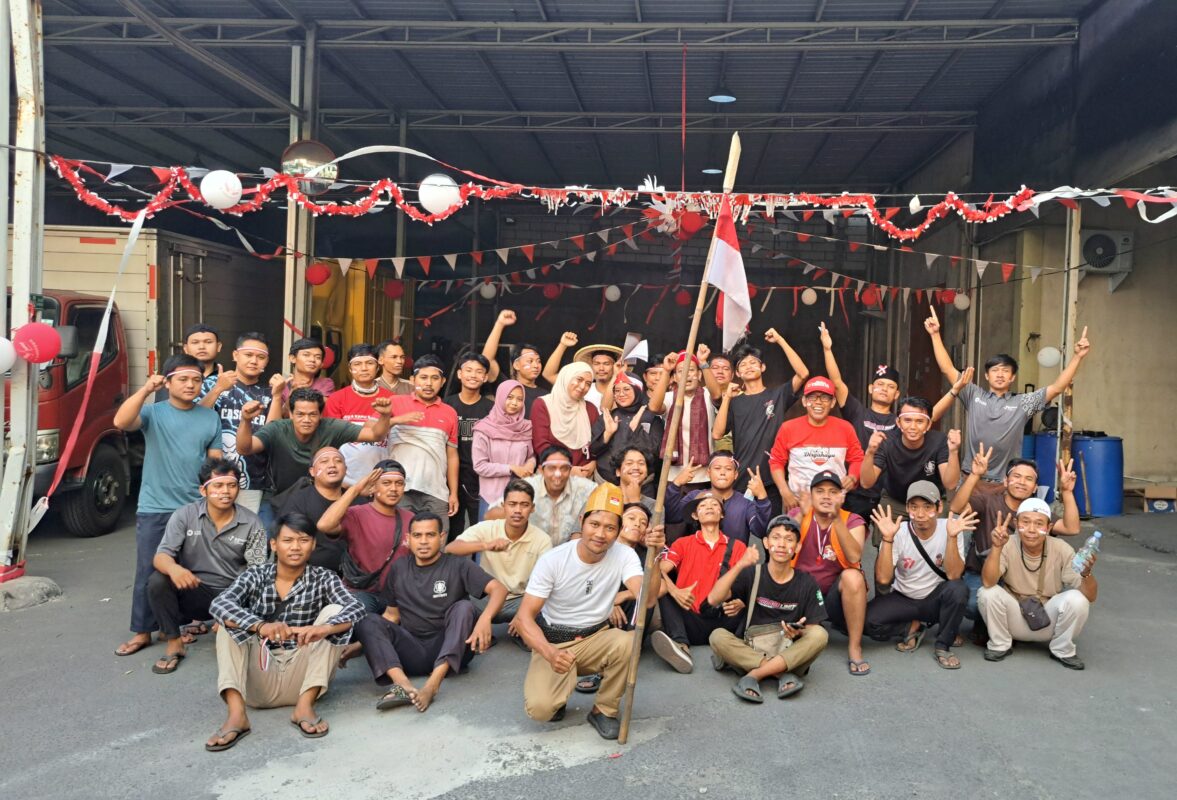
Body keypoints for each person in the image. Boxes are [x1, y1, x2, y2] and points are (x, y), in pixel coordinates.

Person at [516, 482, 665, 740]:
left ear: (618, 531)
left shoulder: (624, 555)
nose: (600, 534)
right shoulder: (553, 560)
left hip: (597, 637)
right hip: (555, 642)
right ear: (582, 522)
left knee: (629, 641)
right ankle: (559, 691)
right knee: (540, 710)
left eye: (610, 528)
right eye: (594, 525)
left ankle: (603, 710)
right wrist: (549, 652)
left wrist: (656, 555)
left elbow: (648, 600)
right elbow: (523, 618)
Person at [205, 512, 366, 751]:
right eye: (288, 540)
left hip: (304, 678)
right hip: (260, 678)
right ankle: (237, 715)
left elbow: (357, 607)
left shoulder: (324, 577)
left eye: (303, 540)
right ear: (274, 544)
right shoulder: (255, 575)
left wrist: (321, 629)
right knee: (227, 624)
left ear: (312, 544)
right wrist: (261, 626)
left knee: (334, 612)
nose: (295, 547)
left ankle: (304, 706)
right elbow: (218, 604)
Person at [113, 354, 222, 657]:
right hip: (155, 506)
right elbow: (121, 421)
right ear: (169, 381)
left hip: (195, 507)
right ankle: (142, 631)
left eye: (196, 380)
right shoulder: (153, 412)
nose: (190, 385)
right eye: (184, 379)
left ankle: (173, 627)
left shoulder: (209, 417)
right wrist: (146, 389)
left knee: (186, 569)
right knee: (149, 570)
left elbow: (214, 462)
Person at [352, 512, 509, 711]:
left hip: (452, 648)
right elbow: (392, 616)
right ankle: (403, 685)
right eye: (417, 536)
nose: (424, 541)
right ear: (408, 540)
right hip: (412, 649)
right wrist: (361, 645)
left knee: (464, 607)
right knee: (368, 620)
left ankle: (432, 686)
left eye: (430, 535)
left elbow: (499, 589)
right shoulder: (399, 568)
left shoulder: (458, 564)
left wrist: (485, 619)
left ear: (442, 537)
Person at [926, 306, 1092, 488]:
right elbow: (947, 369)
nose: (999, 374)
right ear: (986, 376)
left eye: (1005, 371)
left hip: (1006, 481)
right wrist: (935, 334)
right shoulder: (973, 394)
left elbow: (1057, 387)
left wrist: (1077, 357)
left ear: (1012, 377)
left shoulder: (1023, 403)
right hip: (970, 475)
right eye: (995, 370)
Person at [818, 322, 962, 521]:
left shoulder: (903, 422)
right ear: (870, 388)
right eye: (879, 384)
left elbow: (929, 415)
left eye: (890, 386)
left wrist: (954, 391)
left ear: (897, 394)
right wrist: (827, 349)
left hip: (887, 493)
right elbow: (837, 383)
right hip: (857, 489)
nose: (884, 389)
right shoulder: (857, 412)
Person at [147, 459, 267, 675]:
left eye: (232, 485)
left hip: (234, 596)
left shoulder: (252, 522)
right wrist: (175, 569)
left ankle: (230, 625)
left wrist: (229, 610)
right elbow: (161, 556)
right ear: (203, 490)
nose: (226, 492)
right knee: (158, 580)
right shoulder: (185, 515)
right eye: (218, 485)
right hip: (196, 591)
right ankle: (175, 643)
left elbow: (257, 573)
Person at [951, 451, 1081, 643]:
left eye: (1029, 479)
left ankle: (1009, 625)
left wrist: (1067, 492)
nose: (1022, 482)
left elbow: (1071, 528)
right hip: (984, 571)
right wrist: (975, 475)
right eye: (1017, 476)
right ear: (1005, 481)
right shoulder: (987, 501)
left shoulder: (1036, 510)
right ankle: (987, 622)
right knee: (972, 604)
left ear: (1035, 487)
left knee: (1041, 602)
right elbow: (957, 507)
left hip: (1021, 579)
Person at [707, 516, 830, 702]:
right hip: (754, 651)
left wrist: (799, 632)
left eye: (789, 540)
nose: (781, 544)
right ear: (766, 542)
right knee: (717, 636)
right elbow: (714, 598)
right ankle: (780, 675)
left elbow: (813, 628)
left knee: (820, 634)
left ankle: (753, 676)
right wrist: (740, 564)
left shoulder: (807, 582)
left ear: (797, 548)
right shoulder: (752, 574)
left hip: (788, 651)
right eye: (776, 537)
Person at [866, 482, 978, 670]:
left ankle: (943, 644)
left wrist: (951, 537)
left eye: (927, 507)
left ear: (939, 507)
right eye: (914, 507)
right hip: (904, 597)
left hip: (935, 600)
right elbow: (883, 579)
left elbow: (953, 574)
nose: (920, 514)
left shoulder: (950, 527)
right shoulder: (898, 531)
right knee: (868, 622)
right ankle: (911, 627)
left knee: (958, 589)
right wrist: (887, 539)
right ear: (907, 508)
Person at [978, 498, 1097, 670]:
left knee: (1078, 599)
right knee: (987, 593)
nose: (1031, 529)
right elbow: (988, 582)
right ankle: (1000, 644)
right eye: (1025, 522)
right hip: (1015, 617)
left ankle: (1062, 649)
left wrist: (1087, 573)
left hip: (1047, 619)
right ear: (1016, 523)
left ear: (1048, 528)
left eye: (1039, 524)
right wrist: (996, 547)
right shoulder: (1007, 543)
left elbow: (1090, 596)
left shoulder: (1061, 548)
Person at [236, 387, 393, 512]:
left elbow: (375, 434)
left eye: (312, 415)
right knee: (268, 541)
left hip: (320, 499)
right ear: (290, 414)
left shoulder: (331, 427)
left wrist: (385, 416)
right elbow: (245, 448)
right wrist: (246, 420)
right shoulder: (277, 429)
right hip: (279, 497)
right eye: (300, 414)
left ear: (320, 415)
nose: (306, 420)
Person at [651, 491, 747, 674]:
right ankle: (681, 646)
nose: (709, 507)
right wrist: (674, 591)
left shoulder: (738, 546)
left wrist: (741, 601)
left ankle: (734, 649)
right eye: (702, 506)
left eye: (714, 505)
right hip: (689, 619)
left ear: (722, 514)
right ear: (695, 515)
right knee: (663, 592)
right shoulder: (682, 543)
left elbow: (748, 582)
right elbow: (661, 569)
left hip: (724, 619)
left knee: (751, 599)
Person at [789, 471, 871, 676]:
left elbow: (854, 557)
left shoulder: (852, 520)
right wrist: (800, 514)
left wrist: (837, 521)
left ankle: (854, 647)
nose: (826, 496)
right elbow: (780, 550)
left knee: (854, 576)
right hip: (801, 594)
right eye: (820, 491)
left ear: (841, 497)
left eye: (833, 492)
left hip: (834, 598)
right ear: (811, 494)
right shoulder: (798, 515)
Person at [714, 329, 809, 503]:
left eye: (753, 362)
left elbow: (803, 374)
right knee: (739, 529)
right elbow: (717, 433)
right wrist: (727, 397)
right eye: (743, 365)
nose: (748, 366)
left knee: (770, 529)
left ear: (763, 367)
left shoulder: (778, 395)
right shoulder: (734, 402)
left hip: (771, 479)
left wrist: (780, 339)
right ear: (738, 374)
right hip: (741, 479)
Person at [446, 480, 552, 630]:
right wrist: (485, 545)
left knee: (546, 604)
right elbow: (451, 548)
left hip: (520, 601)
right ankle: (480, 629)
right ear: (503, 506)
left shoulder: (542, 540)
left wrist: (525, 613)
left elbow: (546, 584)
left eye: (524, 505)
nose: (518, 510)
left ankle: (521, 628)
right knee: (456, 594)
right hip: (486, 599)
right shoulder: (487, 528)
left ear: (532, 508)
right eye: (512, 504)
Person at [316, 460, 414, 613]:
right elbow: (324, 525)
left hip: (399, 596)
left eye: (399, 484)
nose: (393, 489)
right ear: (374, 487)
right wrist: (355, 489)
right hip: (363, 593)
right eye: (386, 483)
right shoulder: (357, 514)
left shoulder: (411, 518)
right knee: (366, 622)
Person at [859, 396, 962, 542]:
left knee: (935, 546)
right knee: (886, 546)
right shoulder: (887, 441)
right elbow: (866, 483)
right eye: (907, 420)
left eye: (919, 421)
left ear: (928, 424)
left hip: (930, 501)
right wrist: (869, 452)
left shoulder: (939, 441)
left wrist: (954, 452)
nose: (913, 427)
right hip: (895, 500)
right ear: (898, 422)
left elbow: (950, 483)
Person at [200, 333, 280, 519]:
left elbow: (272, 433)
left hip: (253, 480)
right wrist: (218, 388)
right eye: (248, 355)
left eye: (260, 357)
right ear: (235, 355)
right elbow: (194, 419)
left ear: (267, 361)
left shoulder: (268, 393)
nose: (254, 361)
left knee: (243, 535)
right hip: (215, 478)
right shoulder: (211, 384)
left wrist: (277, 397)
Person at [386, 354, 461, 533]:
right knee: (400, 545)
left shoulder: (450, 412)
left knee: (437, 544)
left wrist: (453, 493)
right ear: (412, 380)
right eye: (423, 377)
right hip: (400, 489)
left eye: (435, 378)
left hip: (436, 492)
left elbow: (452, 456)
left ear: (442, 381)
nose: (429, 383)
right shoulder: (394, 403)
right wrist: (399, 419)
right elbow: (372, 431)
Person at [768, 376, 865, 510]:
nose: (818, 402)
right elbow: (776, 461)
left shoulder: (845, 428)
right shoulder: (788, 428)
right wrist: (784, 491)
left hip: (834, 504)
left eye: (825, 398)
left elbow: (857, 459)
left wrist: (853, 477)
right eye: (812, 397)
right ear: (804, 401)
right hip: (798, 503)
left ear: (833, 402)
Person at [324, 344, 398, 486]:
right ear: (350, 369)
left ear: (377, 367)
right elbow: (331, 442)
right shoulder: (336, 399)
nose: (364, 368)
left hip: (382, 481)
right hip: (345, 481)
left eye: (369, 363)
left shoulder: (392, 399)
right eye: (357, 364)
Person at [665, 452, 772, 544]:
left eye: (728, 469)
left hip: (735, 563)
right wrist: (676, 484)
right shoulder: (695, 496)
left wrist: (762, 497)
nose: (722, 473)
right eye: (717, 468)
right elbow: (672, 516)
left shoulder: (746, 502)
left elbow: (760, 531)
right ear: (708, 473)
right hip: (701, 562)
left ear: (735, 475)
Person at [277, 446, 353, 572]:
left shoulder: (358, 501)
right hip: (310, 576)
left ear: (345, 470)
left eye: (338, 461)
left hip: (353, 579)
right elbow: (289, 543)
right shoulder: (298, 500)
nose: (332, 465)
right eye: (324, 461)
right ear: (312, 471)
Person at [444, 353, 495, 536]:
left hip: (480, 478)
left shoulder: (491, 409)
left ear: (485, 377)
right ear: (459, 374)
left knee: (479, 529)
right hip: (450, 477)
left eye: (479, 371)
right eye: (468, 370)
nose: (473, 375)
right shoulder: (447, 405)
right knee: (453, 530)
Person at [648, 352, 715, 486]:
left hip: (704, 475)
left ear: (699, 375)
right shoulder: (669, 397)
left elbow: (718, 395)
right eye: (680, 371)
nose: (686, 374)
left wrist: (703, 363)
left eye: (691, 370)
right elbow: (654, 407)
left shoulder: (708, 395)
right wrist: (666, 371)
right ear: (675, 378)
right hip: (674, 474)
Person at [472, 380, 536, 519]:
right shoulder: (483, 428)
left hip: (520, 497)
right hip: (491, 498)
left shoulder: (526, 427)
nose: (514, 403)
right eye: (510, 397)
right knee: (488, 539)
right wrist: (511, 468)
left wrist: (530, 465)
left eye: (519, 399)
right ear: (500, 397)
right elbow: (479, 466)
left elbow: (531, 455)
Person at [531, 361, 604, 477]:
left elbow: (597, 445)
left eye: (588, 383)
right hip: (553, 475)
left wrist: (594, 463)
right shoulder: (543, 404)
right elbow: (541, 445)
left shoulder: (590, 409)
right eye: (579, 379)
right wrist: (568, 468)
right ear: (567, 377)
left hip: (584, 478)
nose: (582, 387)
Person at [594, 372, 663, 485]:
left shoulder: (652, 418)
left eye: (626, 389)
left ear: (637, 390)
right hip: (605, 484)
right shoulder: (608, 417)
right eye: (617, 391)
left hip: (642, 486)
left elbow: (656, 452)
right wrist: (607, 433)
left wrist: (637, 429)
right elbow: (593, 450)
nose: (621, 394)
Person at [523, 445, 598, 546]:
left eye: (564, 468)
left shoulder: (586, 488)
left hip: (568, 553)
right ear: (541, 470)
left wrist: (577, 532)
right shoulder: (526, 488)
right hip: (532, 550)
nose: (558, 474)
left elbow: (604, 494)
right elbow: (497, 510)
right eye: (552, 468)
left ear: (570, 470)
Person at [276, 338, 336, 415]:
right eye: (306, 355)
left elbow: (323, 410)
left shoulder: (326, 383)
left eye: (318, 357)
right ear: (292, 358)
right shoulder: (281, 386)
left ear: (321, 364)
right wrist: (291, 395)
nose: (312, 360)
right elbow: (281, 417)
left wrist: (300, 393)